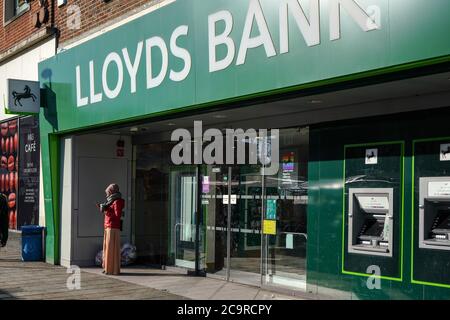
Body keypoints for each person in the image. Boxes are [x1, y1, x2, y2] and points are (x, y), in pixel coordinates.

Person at [96, 183, 125, 275]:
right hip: (108, 226)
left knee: (111, 248)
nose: (106, 194)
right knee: (107, 248)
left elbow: (117, 215)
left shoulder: (117, 201)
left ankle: (112, 269)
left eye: (108, 192)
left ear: (111, 191)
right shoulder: (111, 201)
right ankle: (107, 268)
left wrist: (106, 211)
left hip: (113, 227)